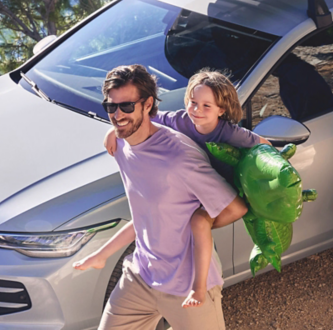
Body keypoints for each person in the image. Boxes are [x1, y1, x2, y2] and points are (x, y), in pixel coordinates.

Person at [73, 65, 248, 330]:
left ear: (148, 104)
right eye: (111, 107)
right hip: (140, 276)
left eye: (127, 107)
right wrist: (102, 254)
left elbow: (235, 208)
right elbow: (147, 215)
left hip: (188, 286)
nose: (118, 115)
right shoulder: (120, 144)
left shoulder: (179, 156)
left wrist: (199, 220)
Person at [104, 69, 271, 308]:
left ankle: (199, 288)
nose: (197, 111)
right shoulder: (179, 120)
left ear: (221, 110)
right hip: (189, 192)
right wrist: (113, 131)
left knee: (199, 224)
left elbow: (264, 145)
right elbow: (142, 119)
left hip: (218, 194)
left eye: (206, 106)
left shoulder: (230, 133)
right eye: (193, 103)